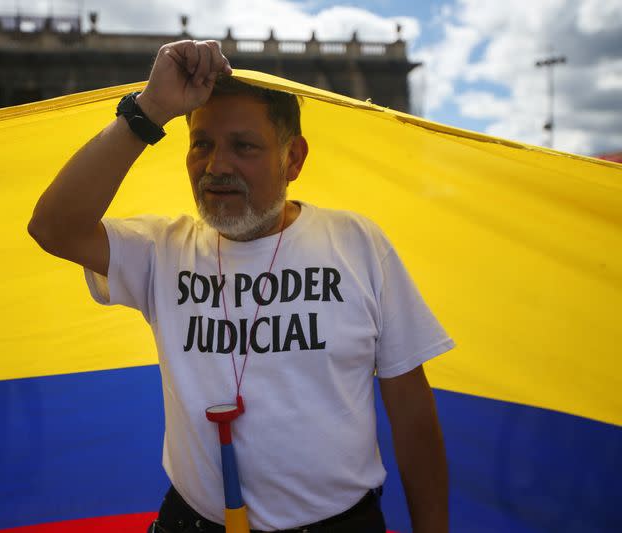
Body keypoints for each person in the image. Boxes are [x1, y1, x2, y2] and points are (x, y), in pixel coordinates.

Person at [28, 39, 453, 533]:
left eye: (243, 146)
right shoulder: (162, 250)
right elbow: (53, 227)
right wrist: (151, 110)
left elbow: (413, 415)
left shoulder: (358, 245)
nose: (217, 166)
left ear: (293, 159)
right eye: (202, 144)